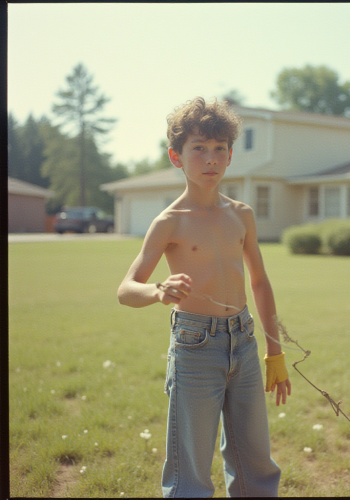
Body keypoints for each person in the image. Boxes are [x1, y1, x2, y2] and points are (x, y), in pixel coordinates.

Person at [117, 97, 292, 498]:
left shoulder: (242, 214)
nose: (210, 158)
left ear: (230, 156)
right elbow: (126, 289)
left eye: (219, 149)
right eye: (199, 148)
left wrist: (275, 351)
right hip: (195, 347)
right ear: (176, 157)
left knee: (257, 461)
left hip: (244, 343)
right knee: (190, 471)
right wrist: (158, 291)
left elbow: (260, 283)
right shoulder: (169, 222)